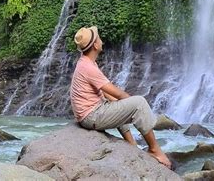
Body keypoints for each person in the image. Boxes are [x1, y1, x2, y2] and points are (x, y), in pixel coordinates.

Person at [70, 25, 172, 169]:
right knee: (139, 103)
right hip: (91, 116)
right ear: (95, 45)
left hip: (90, 114)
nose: (102, 41)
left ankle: (132, 145)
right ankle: (155, 149)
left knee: (116, 103)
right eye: (99, 38)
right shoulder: (88, 68)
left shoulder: (85, 62)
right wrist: (132, 103)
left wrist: (122, 103)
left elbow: (108, 95)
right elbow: (117, 92)